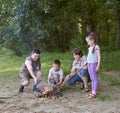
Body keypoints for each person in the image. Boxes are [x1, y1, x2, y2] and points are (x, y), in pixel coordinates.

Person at [86, 32, 101, 99]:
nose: (88, 43)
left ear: (92, 40)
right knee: (92, 78)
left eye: (88, 41)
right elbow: (89, 56)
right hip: (89, 64)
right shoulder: (90, 47)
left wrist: (98, 65)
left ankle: (94, 93)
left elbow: (99, 56)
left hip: (94, 64)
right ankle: (92, 91)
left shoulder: (96, 47)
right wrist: (86, 62)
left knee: (94, 78)